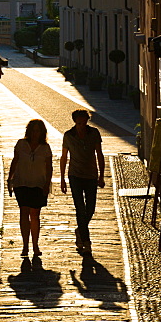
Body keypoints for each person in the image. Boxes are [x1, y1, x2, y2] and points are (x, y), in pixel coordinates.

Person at [60, 108, 105, 253]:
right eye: (78, 123)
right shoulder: (68, 135)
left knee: (90, 208)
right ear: (74, 121)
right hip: (75, 175)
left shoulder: (94, 133)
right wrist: (62, 179)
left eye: (83, 123)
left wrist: (101, 175)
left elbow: (99, 154)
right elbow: (64, 157)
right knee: (80, 208)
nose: (81, 125)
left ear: (87, 121)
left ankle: (80, 230)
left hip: (91, 175)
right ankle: (86, 241)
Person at [7, 119, 53, 258]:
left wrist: (47, 184)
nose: (35, 133)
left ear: (42, 132)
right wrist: (10, 179)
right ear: (29, 131)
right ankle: (25, 246)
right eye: (33, 130)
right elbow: (15, 161)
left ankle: (35, 245)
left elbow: (49, 167)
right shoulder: (21, 144)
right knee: (23, 213)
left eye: (37, 131)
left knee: (35, 215)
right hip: (21, 182)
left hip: (39, 184)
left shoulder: (45, 148)